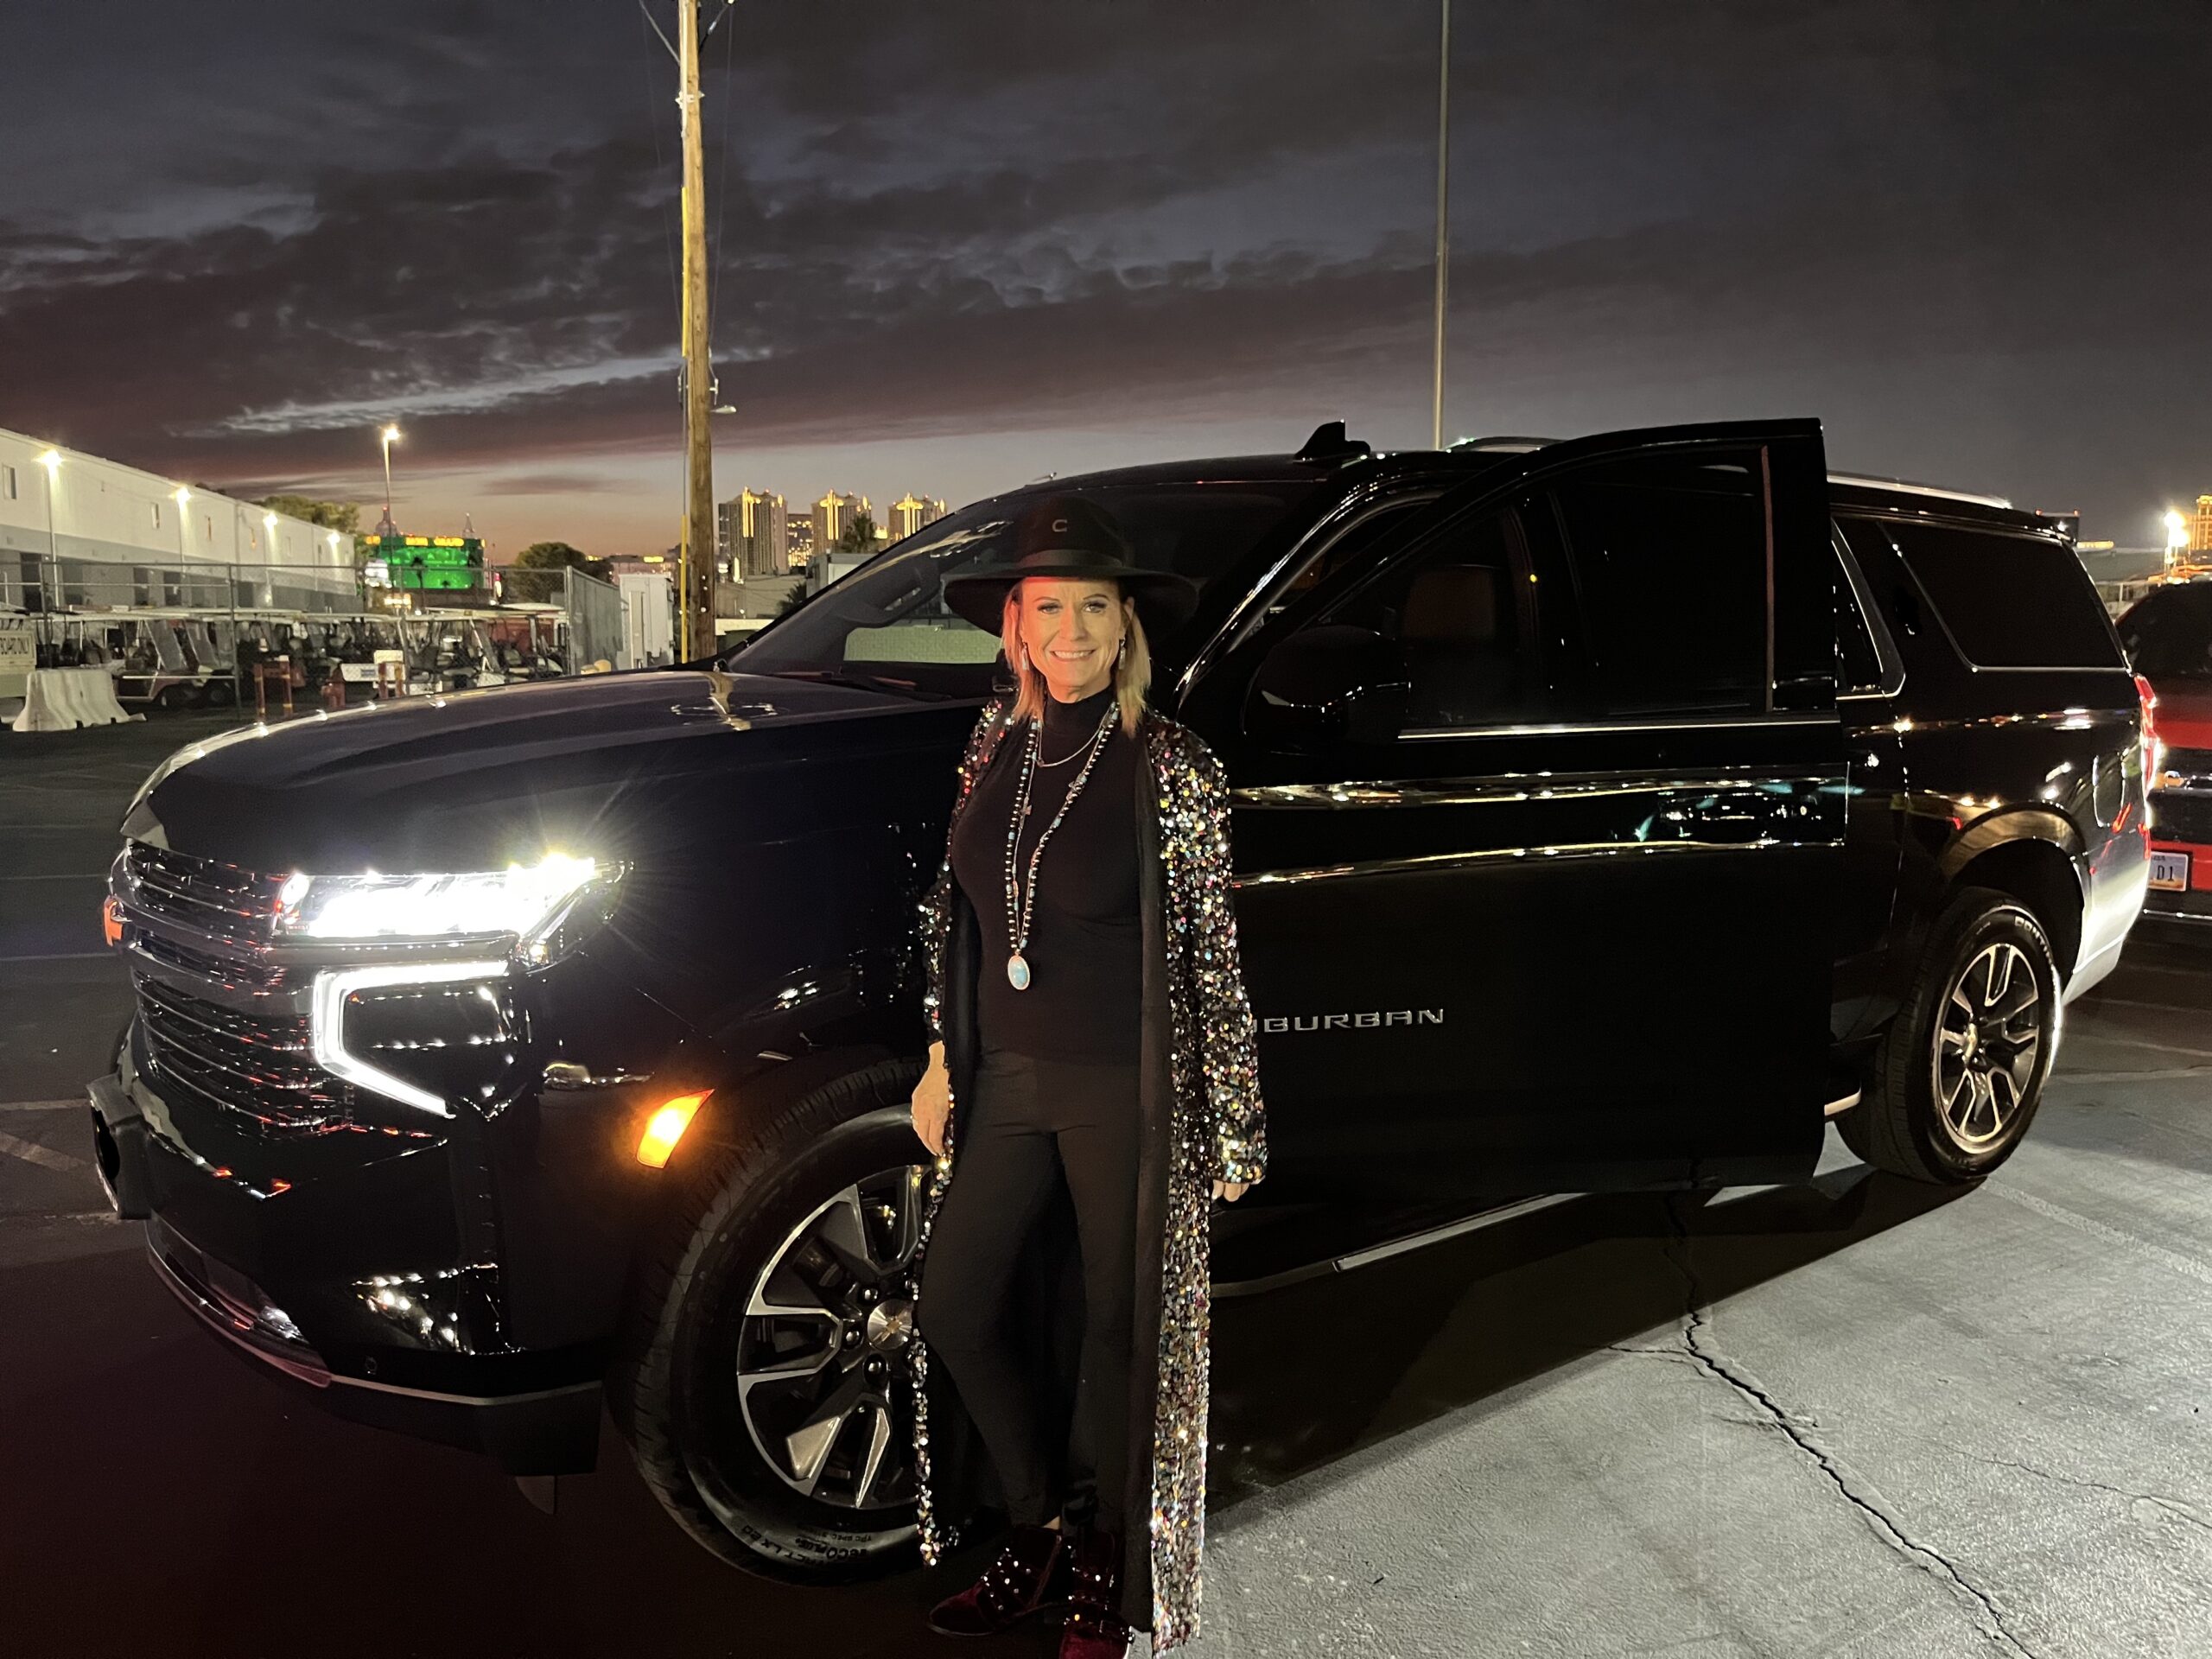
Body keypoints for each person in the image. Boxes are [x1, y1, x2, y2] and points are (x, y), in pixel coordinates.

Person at [907, 495, 1267, 1657]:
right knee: (956, 1302)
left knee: (1118, 1334)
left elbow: (1215, 957)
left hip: (1126, 1089)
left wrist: (1237, 1124)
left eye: (1093, 609)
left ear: (1126, 628)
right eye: (1047, 607)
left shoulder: (1173, 768)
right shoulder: (990, 744)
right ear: (1015, 624)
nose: (1069, 631)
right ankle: (1037, 1522)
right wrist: (934, 1057)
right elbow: (952, 918)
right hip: (1005, 1077)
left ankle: (1107, 1563)